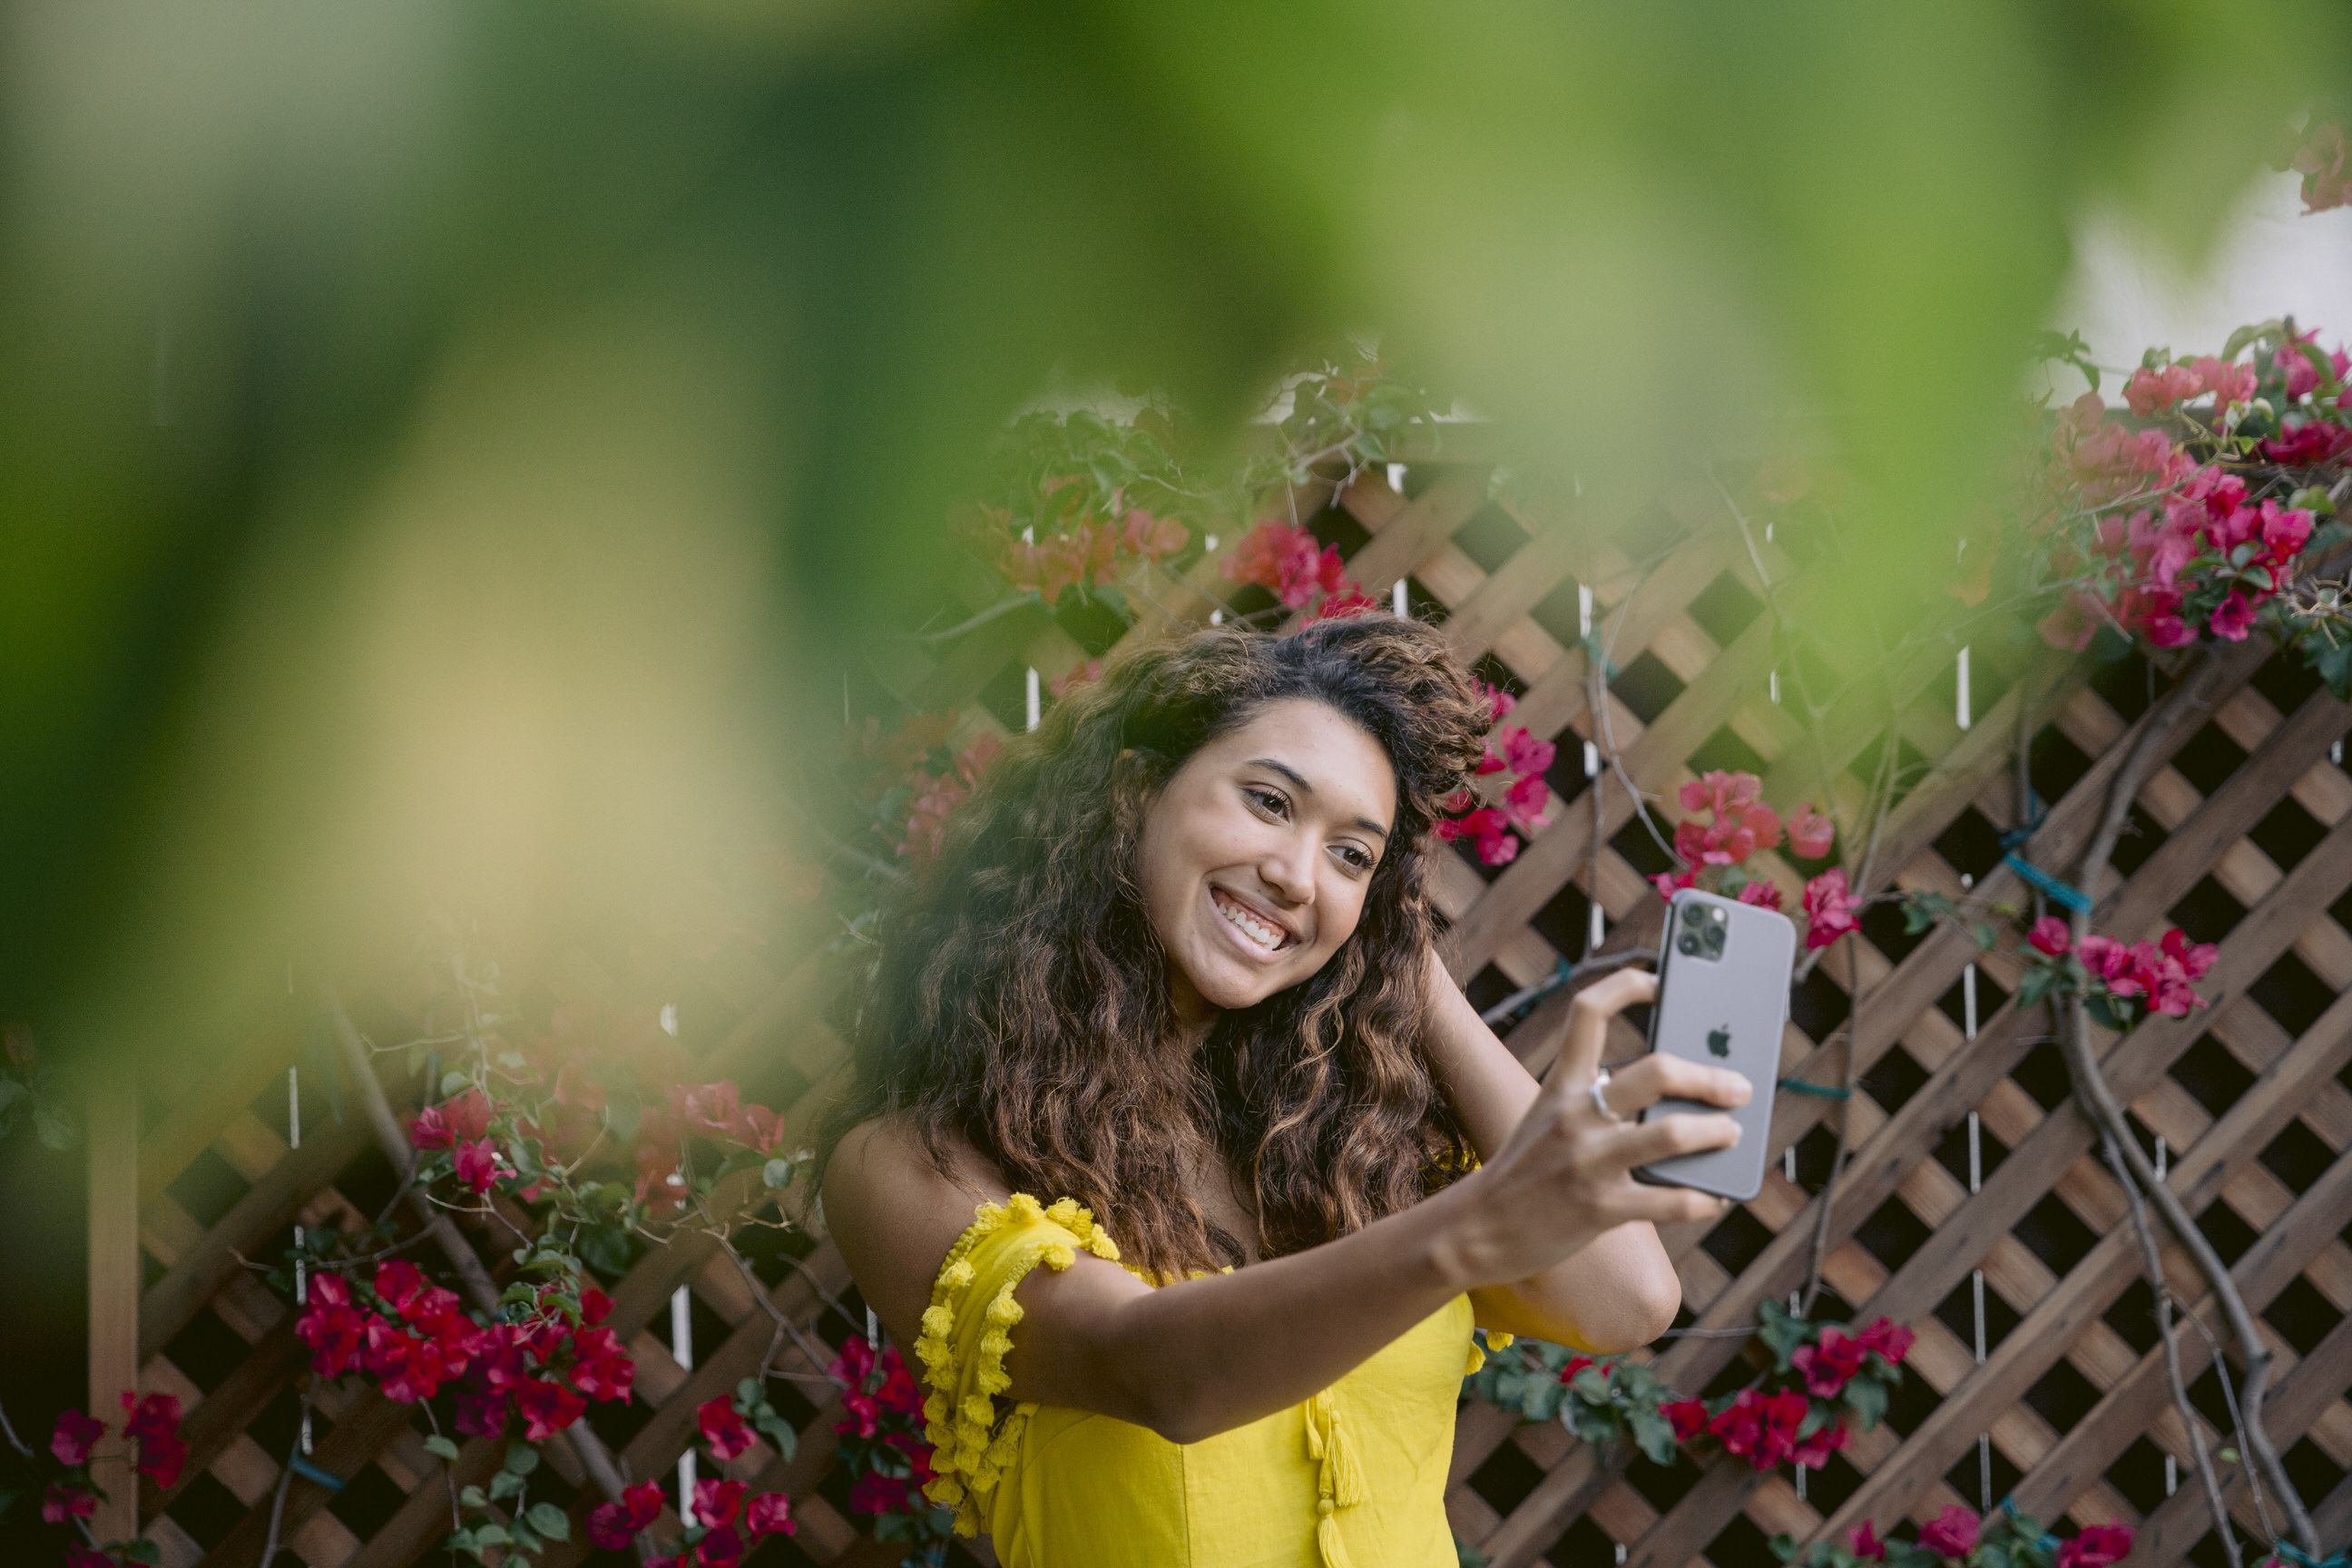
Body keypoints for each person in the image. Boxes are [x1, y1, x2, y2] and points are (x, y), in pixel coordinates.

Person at [818, 616, 1749, 1567]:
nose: (1297, 875)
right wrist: (1472, 1228)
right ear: (1137, 793)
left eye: (1352, 854)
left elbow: (1624, 1299)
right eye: (1269, 802)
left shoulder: (1347, 1149)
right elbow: (1148, 1370)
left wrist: (1400, 952)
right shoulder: (914, 1164)